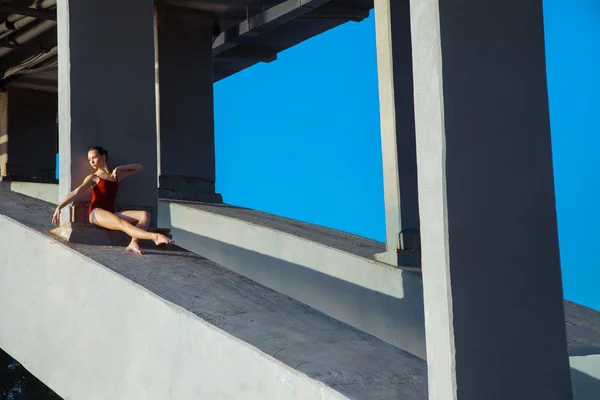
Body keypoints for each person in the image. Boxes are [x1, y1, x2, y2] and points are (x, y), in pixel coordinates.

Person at [52, 146, 174, 255]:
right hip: (96, 213)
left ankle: (133, 243)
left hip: (110, 212)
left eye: (94, 158)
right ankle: (155, 237)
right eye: (89, 160)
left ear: (103, 157)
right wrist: (60, 207)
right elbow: (76, 192)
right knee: (123, 224)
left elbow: (139, 167)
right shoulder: (94, 177)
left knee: (145, 215)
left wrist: (121, 168)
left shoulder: (115, 177)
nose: (92, 162)